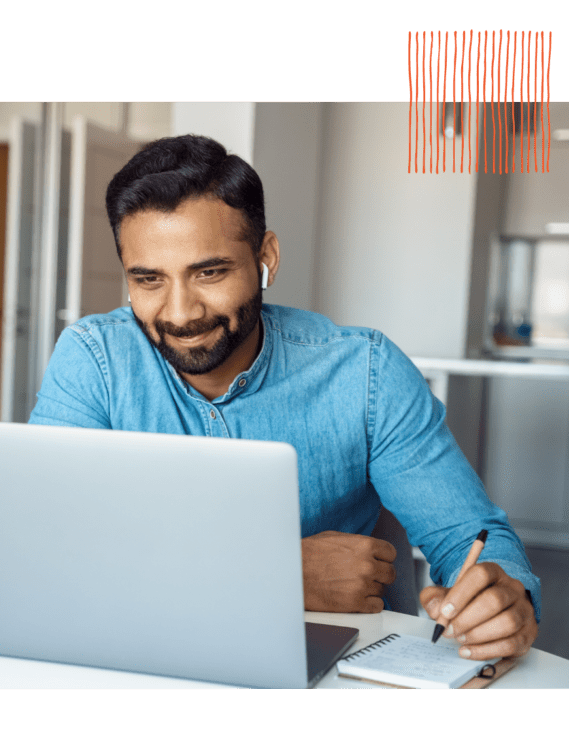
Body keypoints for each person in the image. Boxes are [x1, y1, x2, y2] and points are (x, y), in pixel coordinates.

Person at [29, 134, 540, 661]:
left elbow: (467, 535)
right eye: (149, 279)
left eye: (209, 272)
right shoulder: (94, 359)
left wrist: (506, 598)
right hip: (143, 654)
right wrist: (272, 572)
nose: (180, 313)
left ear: (265, 256)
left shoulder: (365, 372)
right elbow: (46, 549)